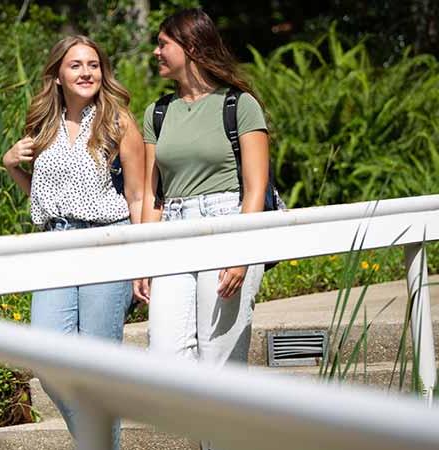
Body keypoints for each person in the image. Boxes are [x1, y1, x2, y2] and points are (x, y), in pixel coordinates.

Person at [134, 9, 269, 449]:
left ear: (190, 47)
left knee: (220, 362)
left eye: (162, 44)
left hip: (227, 224)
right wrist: (144, 259)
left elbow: (256, 187)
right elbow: (154, 194)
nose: (155, 52)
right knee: (166, 359)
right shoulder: (158, 111)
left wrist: (240, 253)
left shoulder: (239, 105)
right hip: (173, 230)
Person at [2, 35, 144, 449]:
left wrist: (141, 264)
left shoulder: (117, 122)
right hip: (54, 244)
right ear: (58, 75)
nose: (86, 72)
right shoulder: (41, 125)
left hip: (106, 244)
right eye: (76, 65)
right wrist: (12, 166)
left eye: (93, 65)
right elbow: (46, 197)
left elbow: (137, 196)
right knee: (49, 361)